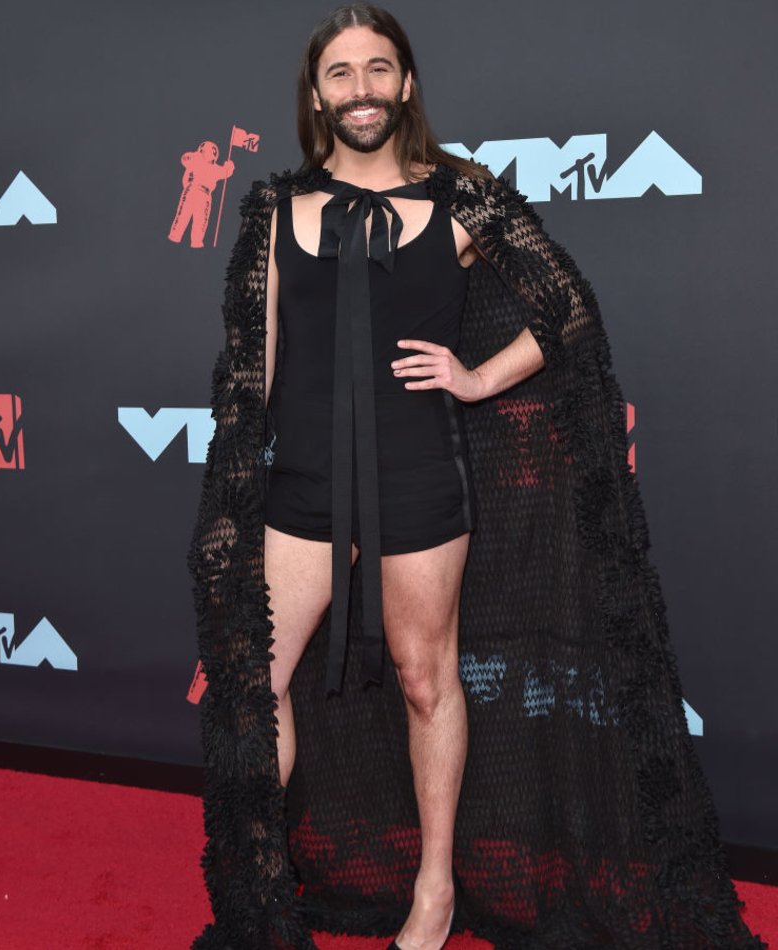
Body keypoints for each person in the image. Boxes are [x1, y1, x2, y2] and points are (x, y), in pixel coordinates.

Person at [187, 6, 767, 950]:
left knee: (426, 681)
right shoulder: (271, 211)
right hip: (300, 485)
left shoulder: (463, 201)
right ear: (318, 93)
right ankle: (259, 899)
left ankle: (434, 892)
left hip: (420, 475)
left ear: (406, 86)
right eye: (341, 73)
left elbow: (568, 312)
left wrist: (477, 376)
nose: (361, 88)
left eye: (379, 68)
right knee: (252, 683)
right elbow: (253, 365)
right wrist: (231, 498)